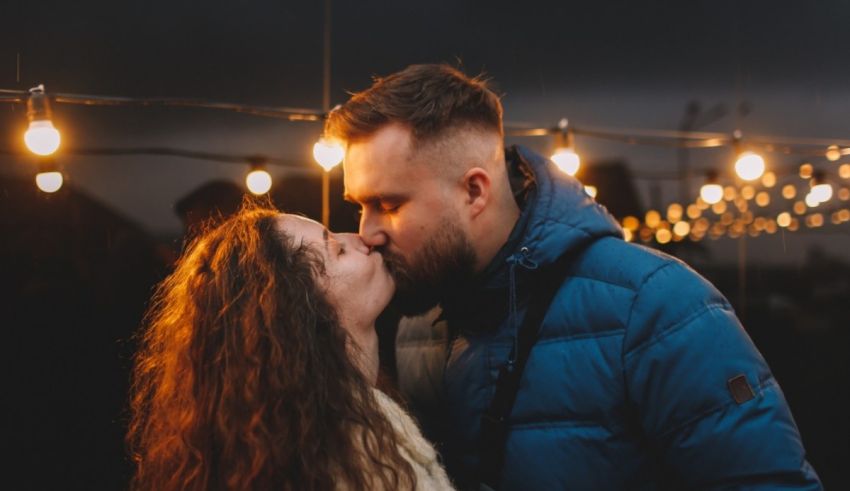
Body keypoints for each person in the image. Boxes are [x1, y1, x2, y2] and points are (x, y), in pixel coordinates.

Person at [326, 64, 822, 489]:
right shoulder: (419, 319)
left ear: (474, 192)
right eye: (359, 206)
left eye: (388, 204)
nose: (367, 232)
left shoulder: (658, 307)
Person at [126, 203, 454, 491]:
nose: (362, 238)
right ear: (304, 315)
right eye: (338, 250)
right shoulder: (343, 452)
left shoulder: (306, 443)